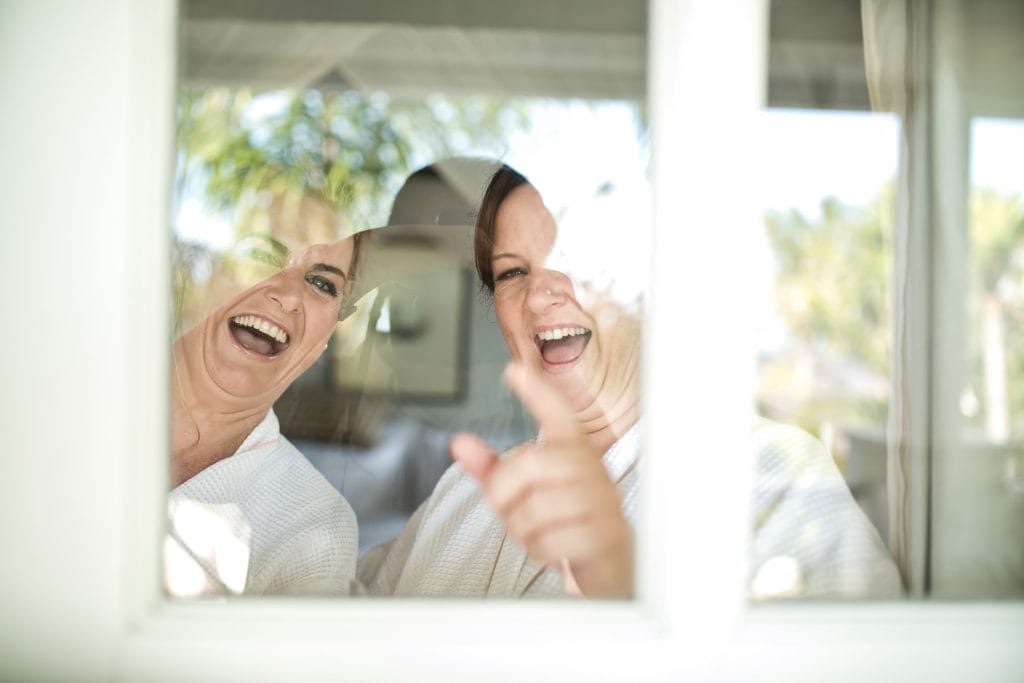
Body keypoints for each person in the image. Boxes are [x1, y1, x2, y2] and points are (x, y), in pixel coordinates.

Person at [358, 163, 902, 599]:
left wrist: (622, 590)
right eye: (511, 272)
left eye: (575, 258)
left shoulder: (773, 470)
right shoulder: (471, 489)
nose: (541, 291)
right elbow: (345, 628)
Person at [166, 233, 366, 597]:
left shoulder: (315, 528)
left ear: (323, 342)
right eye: (261, 254)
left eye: (323, 283)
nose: (288, 295)